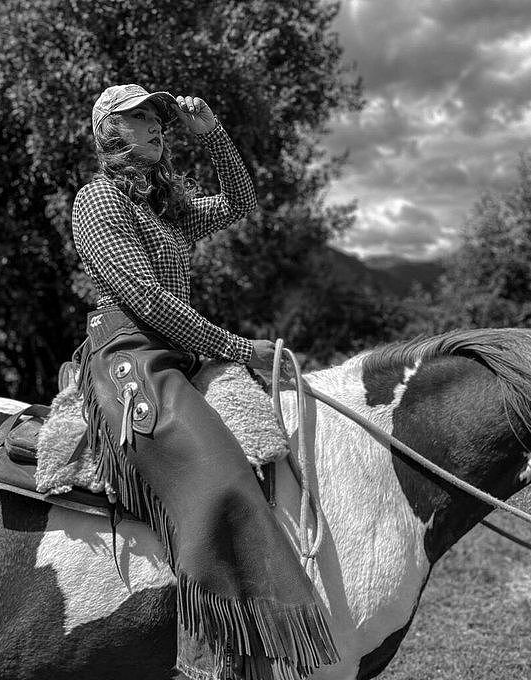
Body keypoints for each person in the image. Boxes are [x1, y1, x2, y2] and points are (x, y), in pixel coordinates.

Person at [71, 83, 338, 680]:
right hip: (129, 352)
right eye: (138, 118)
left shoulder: (164, 208)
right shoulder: (97, 200)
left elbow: (242, 201)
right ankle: (206, 660)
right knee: (215, 475)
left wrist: (213, 133)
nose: (155, 125)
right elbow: (144, 297)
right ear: (111, 133)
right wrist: (239, 347)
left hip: (179, 352)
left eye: (156, 116)